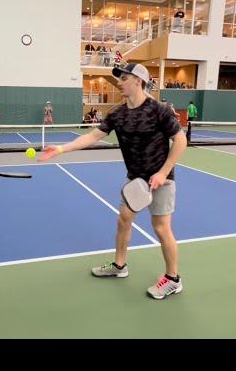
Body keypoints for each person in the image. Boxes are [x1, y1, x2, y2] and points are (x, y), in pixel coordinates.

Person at [38, 63, 187, 300]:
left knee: (161, 228)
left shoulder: (159, 110)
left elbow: (180, 141)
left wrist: (163, 172)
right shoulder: (118, 114)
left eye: (124, 78)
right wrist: (61, 149)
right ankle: (120, 266)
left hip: (161, 180)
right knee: (123, 220)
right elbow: (92, 136)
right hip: (134, 180)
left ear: (138, 81)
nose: (119, 82)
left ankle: (173, 279)